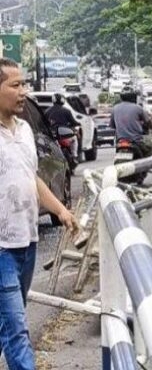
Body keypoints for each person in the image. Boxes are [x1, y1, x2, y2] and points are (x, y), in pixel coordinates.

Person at [0, 58, 79, 369]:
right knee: (18, 329)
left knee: (8, 322)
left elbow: (30, 177)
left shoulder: (23, 131)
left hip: (27, 240)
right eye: (15, 85)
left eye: (24, 84)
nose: (24, 92)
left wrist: (61, 210)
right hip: (1, 247)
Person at [109, 91, 152, 157]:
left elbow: (112, 125)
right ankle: (145, 160)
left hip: (120, 141)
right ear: (134, 98)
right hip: (136, 140)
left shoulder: (115, 108)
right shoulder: (138, 108)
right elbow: (148, 122)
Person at [45, 94, 80, 159]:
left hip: (53, 135)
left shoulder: (47, 111)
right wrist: (77, 124)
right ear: (62, 100)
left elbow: (44, 124)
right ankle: (75, 155)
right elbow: (73, 122)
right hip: (64, 134)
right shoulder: (66, 111)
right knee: (74, 138)